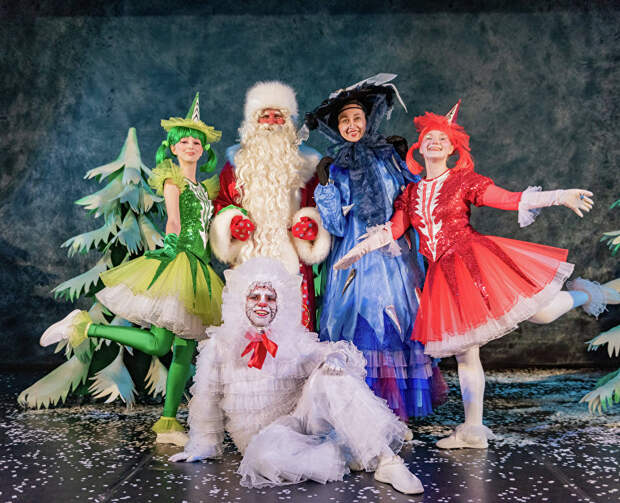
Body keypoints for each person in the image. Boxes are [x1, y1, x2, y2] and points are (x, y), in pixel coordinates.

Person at [334, 101, 620, 449]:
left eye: (442, 139)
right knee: (466, 353)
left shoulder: (462, 181)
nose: (435, 142)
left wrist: (559, 196)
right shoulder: (410, 192)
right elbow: (394, 229)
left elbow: (508, 199)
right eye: (429, 138)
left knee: (541, 313)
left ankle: (587, 294)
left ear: (452, 149)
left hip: (475, 262)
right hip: (443, 277)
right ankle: (473, 430)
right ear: (419, 147)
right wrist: (359, 250)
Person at [40, 93, 224, 446]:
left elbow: (207, 225)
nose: (190, 146)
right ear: (173, 148)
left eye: (196, 142)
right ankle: (85, 326)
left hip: (200, 267)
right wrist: (171, 247)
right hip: (179, 262)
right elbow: (173, 220)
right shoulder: (173, 180)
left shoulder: (203, 188)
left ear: (203, 150)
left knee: (183, 348)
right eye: (184, 142)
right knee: (159, 344)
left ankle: (168, 423)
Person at [169, 257, 424, 495]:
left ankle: (387, 461)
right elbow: (207, 400)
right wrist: (203, 444)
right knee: (265, 458)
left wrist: (336, 357)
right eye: (254, 296)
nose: (262, 303)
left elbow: (330, 352)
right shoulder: (220, 345)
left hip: (298, 420)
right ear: (241, 301)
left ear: (280, 303)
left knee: (332, 374)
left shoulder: (290, 338)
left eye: (270, 298)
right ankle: (345, 451)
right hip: (263, 442)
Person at [304, 75, 447, 422]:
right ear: (336, 127)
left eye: (357, 118)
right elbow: (336, 227)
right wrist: (326, 189)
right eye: (344, 120)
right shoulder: (336, 168)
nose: (352, 125)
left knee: (395, 322)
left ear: (368, 120)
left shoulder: (390, 158)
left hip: (392, 257)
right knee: (357, 323)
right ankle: (357, 412)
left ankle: (394, 413)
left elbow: (412, 200)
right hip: (352, 259)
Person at [209, 81, 331, 330]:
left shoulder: (307, 165)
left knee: (293, 325)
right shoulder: (236, 165)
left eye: (278, 116)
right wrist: (233, 223)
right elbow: (223, 203)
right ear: (254, 122)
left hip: (291, 254)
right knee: (246, 323)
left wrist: (310, 224)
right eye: (265, 116)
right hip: (249, 252)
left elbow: (320, 206)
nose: (272, 122)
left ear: (288, 122)